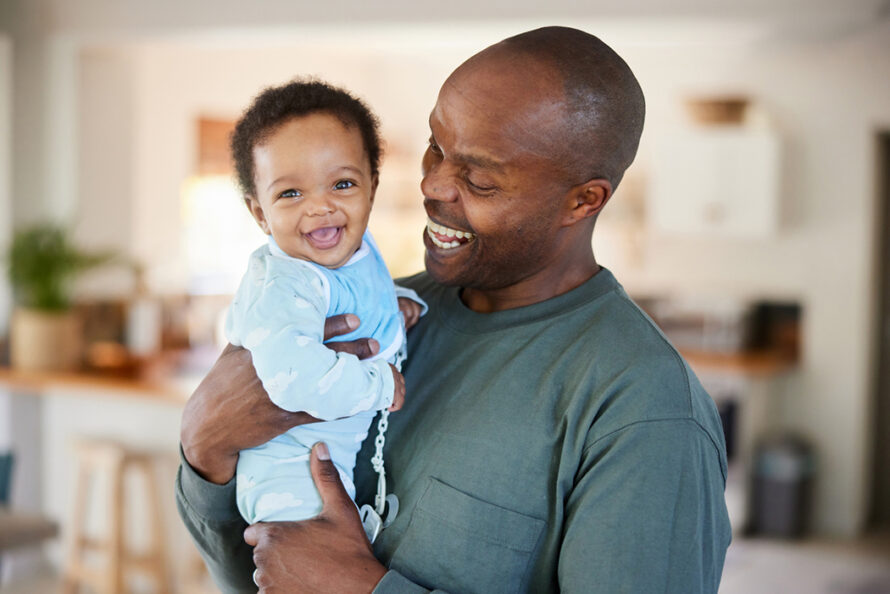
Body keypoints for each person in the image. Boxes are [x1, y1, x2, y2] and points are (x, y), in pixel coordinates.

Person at [177, 26, 732, 593]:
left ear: (582, 200)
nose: (433, 184)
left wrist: (367, 590)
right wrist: (203, 447)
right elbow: (259, 569)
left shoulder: (646, 410)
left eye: (480, 178)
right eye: (435, 147)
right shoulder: (379, 315)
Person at [221, 80, 424, 530]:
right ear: (260, 214)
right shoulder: (286, 282)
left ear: (372, 185)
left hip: (327, 454)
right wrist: (380, 386)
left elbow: (356, 290)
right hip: (289, 471)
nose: (321, 207)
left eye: (343, 183)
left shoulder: (348, 251)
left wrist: (394, 305)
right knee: (310, 559)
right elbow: (294, 380)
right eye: (290, 194)